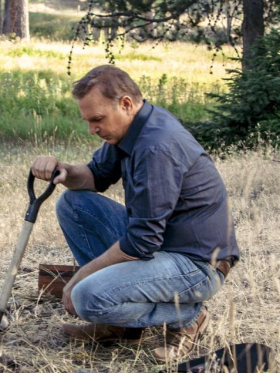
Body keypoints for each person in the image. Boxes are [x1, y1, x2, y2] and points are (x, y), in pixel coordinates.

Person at [31, 65, 239, 361]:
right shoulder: (132, 126)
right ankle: (122, 324)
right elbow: (95, 175)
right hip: (162, 246)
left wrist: (82, 276)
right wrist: (62, 170)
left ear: (125, 104)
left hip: (197, 264)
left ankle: (187, 315)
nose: (92, 129)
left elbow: (141, 242)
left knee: (86, 297)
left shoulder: (157, 146)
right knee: (73, 204)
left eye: (97, 119)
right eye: (88, 121)